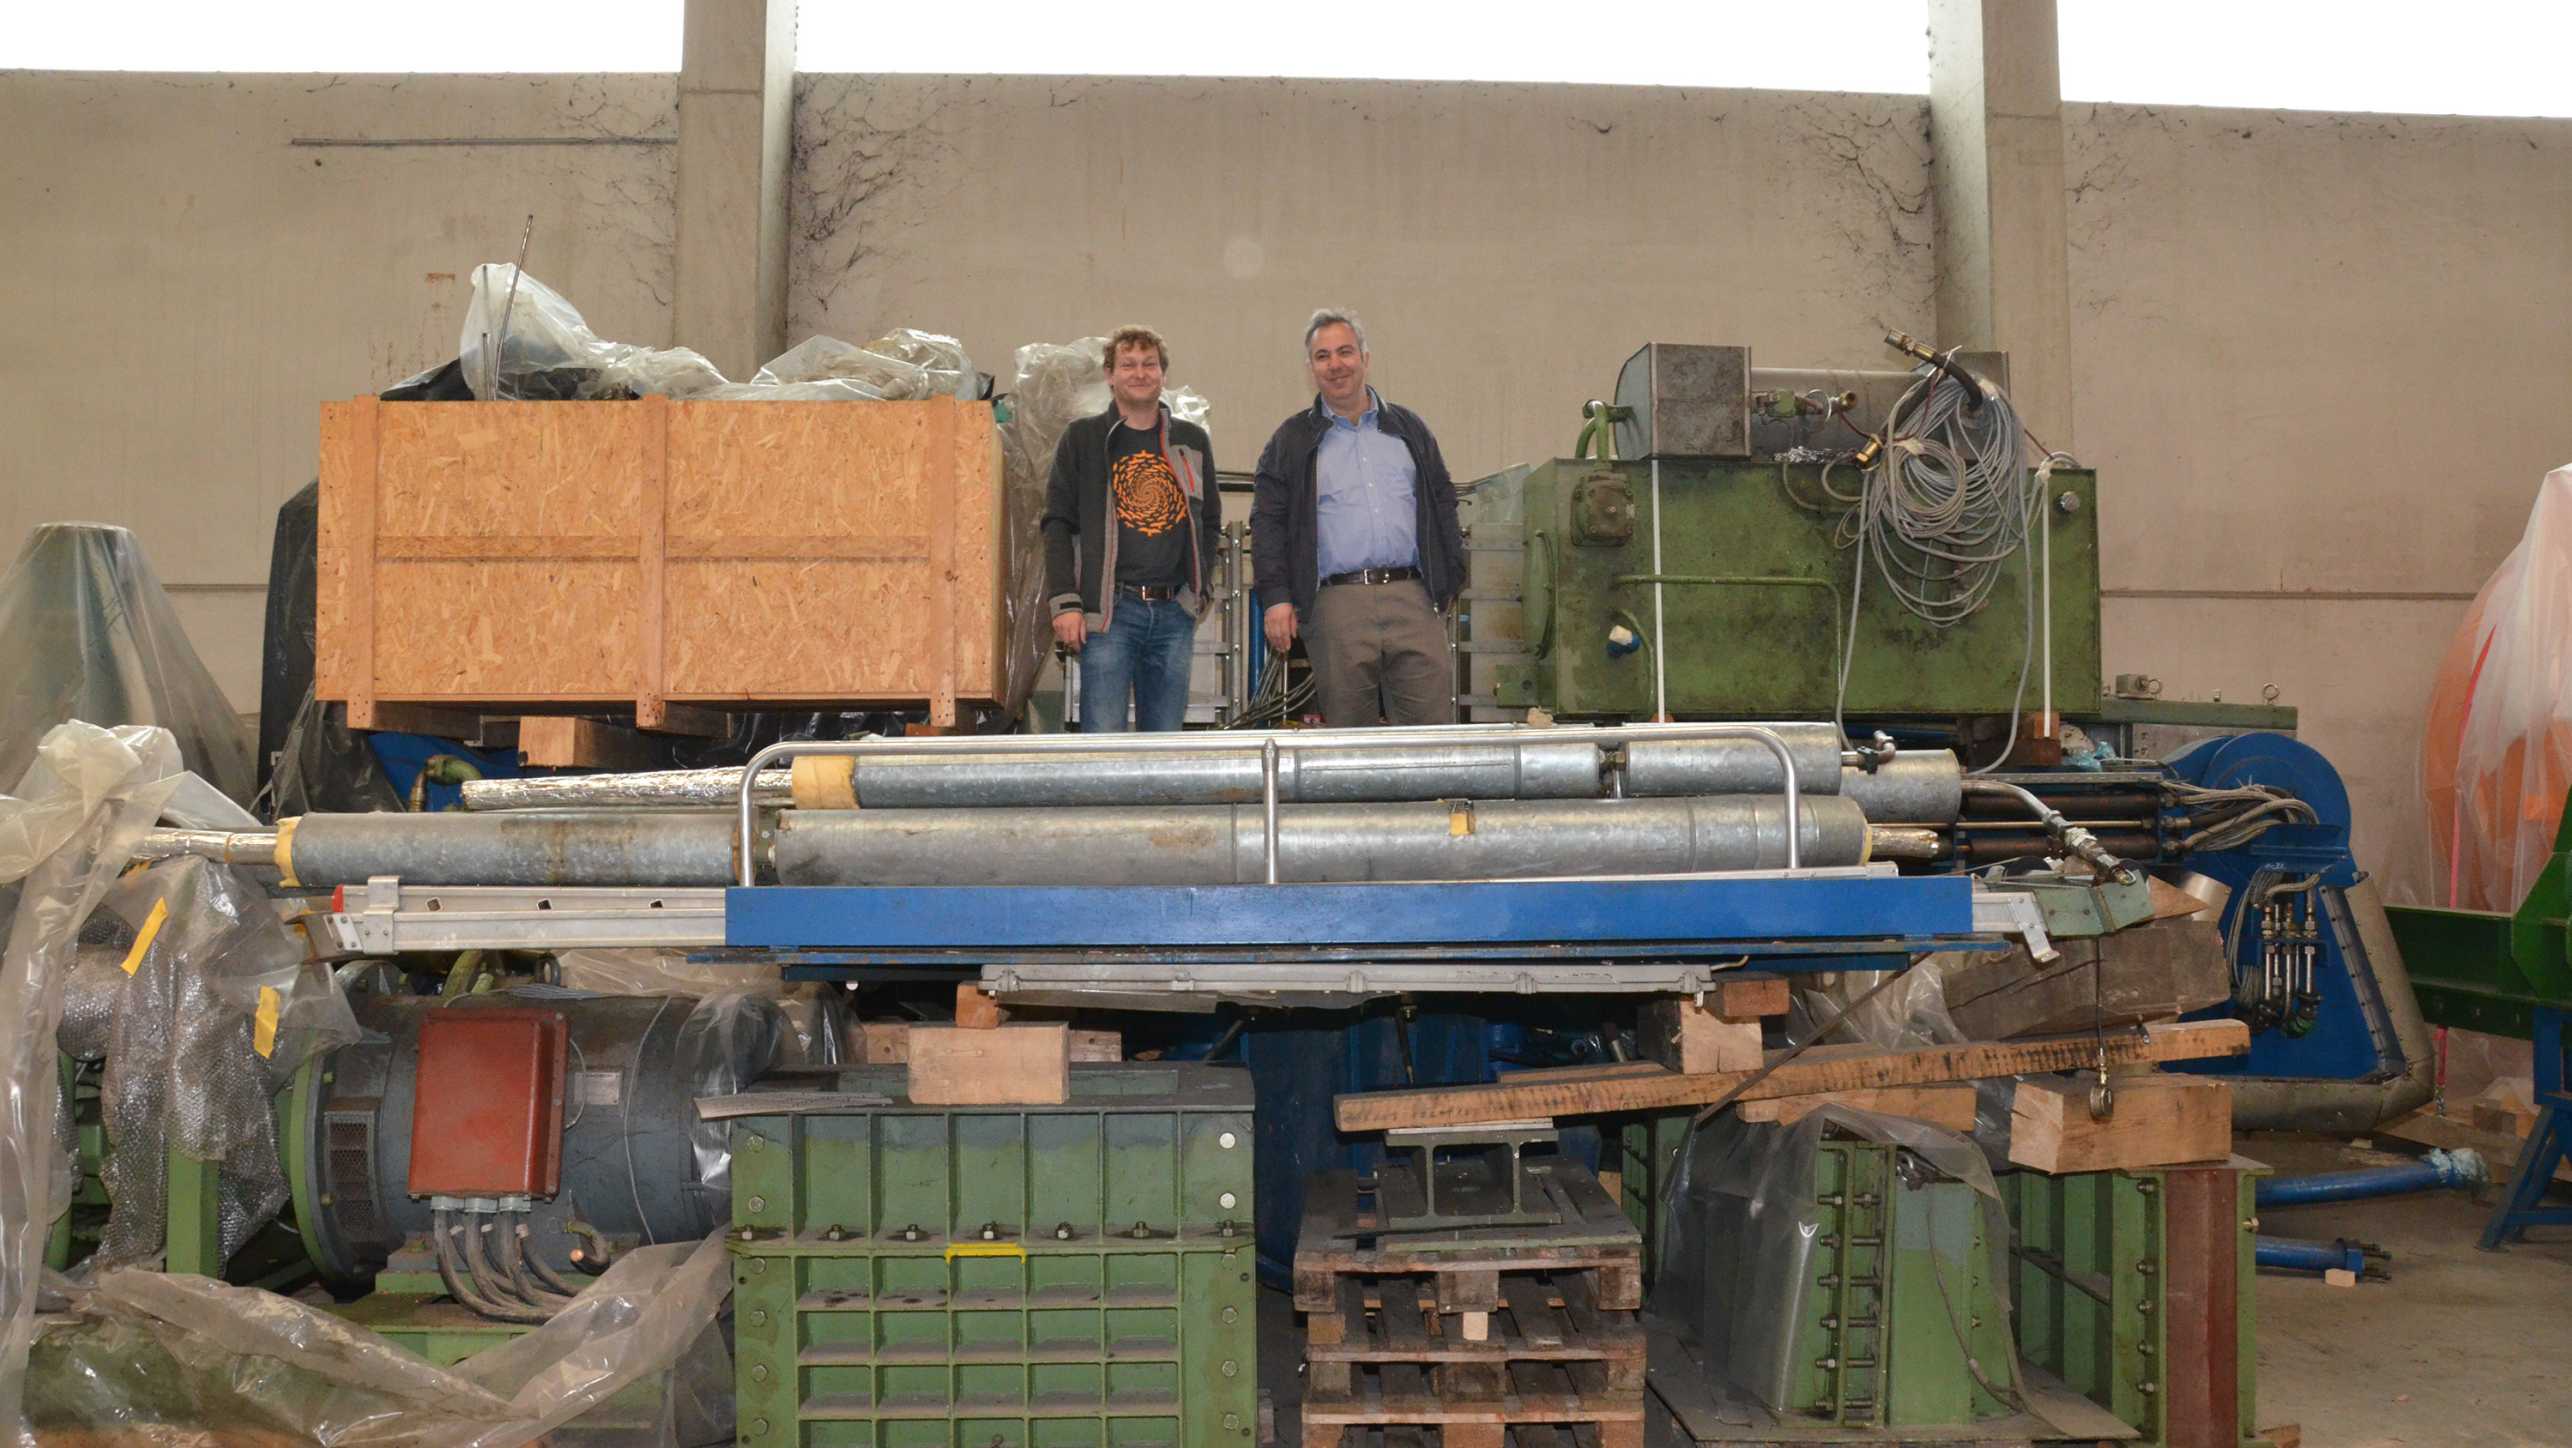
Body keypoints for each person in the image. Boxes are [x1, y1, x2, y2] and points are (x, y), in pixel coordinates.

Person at [1252, 309, 1465, 727]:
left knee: (1431, 734)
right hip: (1335, 606)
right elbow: (1268, 524)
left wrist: (1451, 575)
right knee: (1349, 740)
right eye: (1323, 356)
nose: (1336, 365)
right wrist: (1276, 597)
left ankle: (1428, 797)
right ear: (1311, 368)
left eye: (1345, 352)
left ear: (1365, 358)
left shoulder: (1409, 429)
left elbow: (1443, 501)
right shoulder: (1291, 441)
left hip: (1415, 599)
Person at [1041, 326, 1221, 731]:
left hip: (1175, 613)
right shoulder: (1083, 439)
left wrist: (1199, 590)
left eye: (1149, 364)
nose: (1139, 373)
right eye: (1128, 365)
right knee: (1102, 744)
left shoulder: (1191, 441)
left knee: (1165, 747)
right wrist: (1065, 602)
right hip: (1110, 615)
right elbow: (1056, 523)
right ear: (1110, 375)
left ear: (1163, 373)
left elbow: (1209, 522)